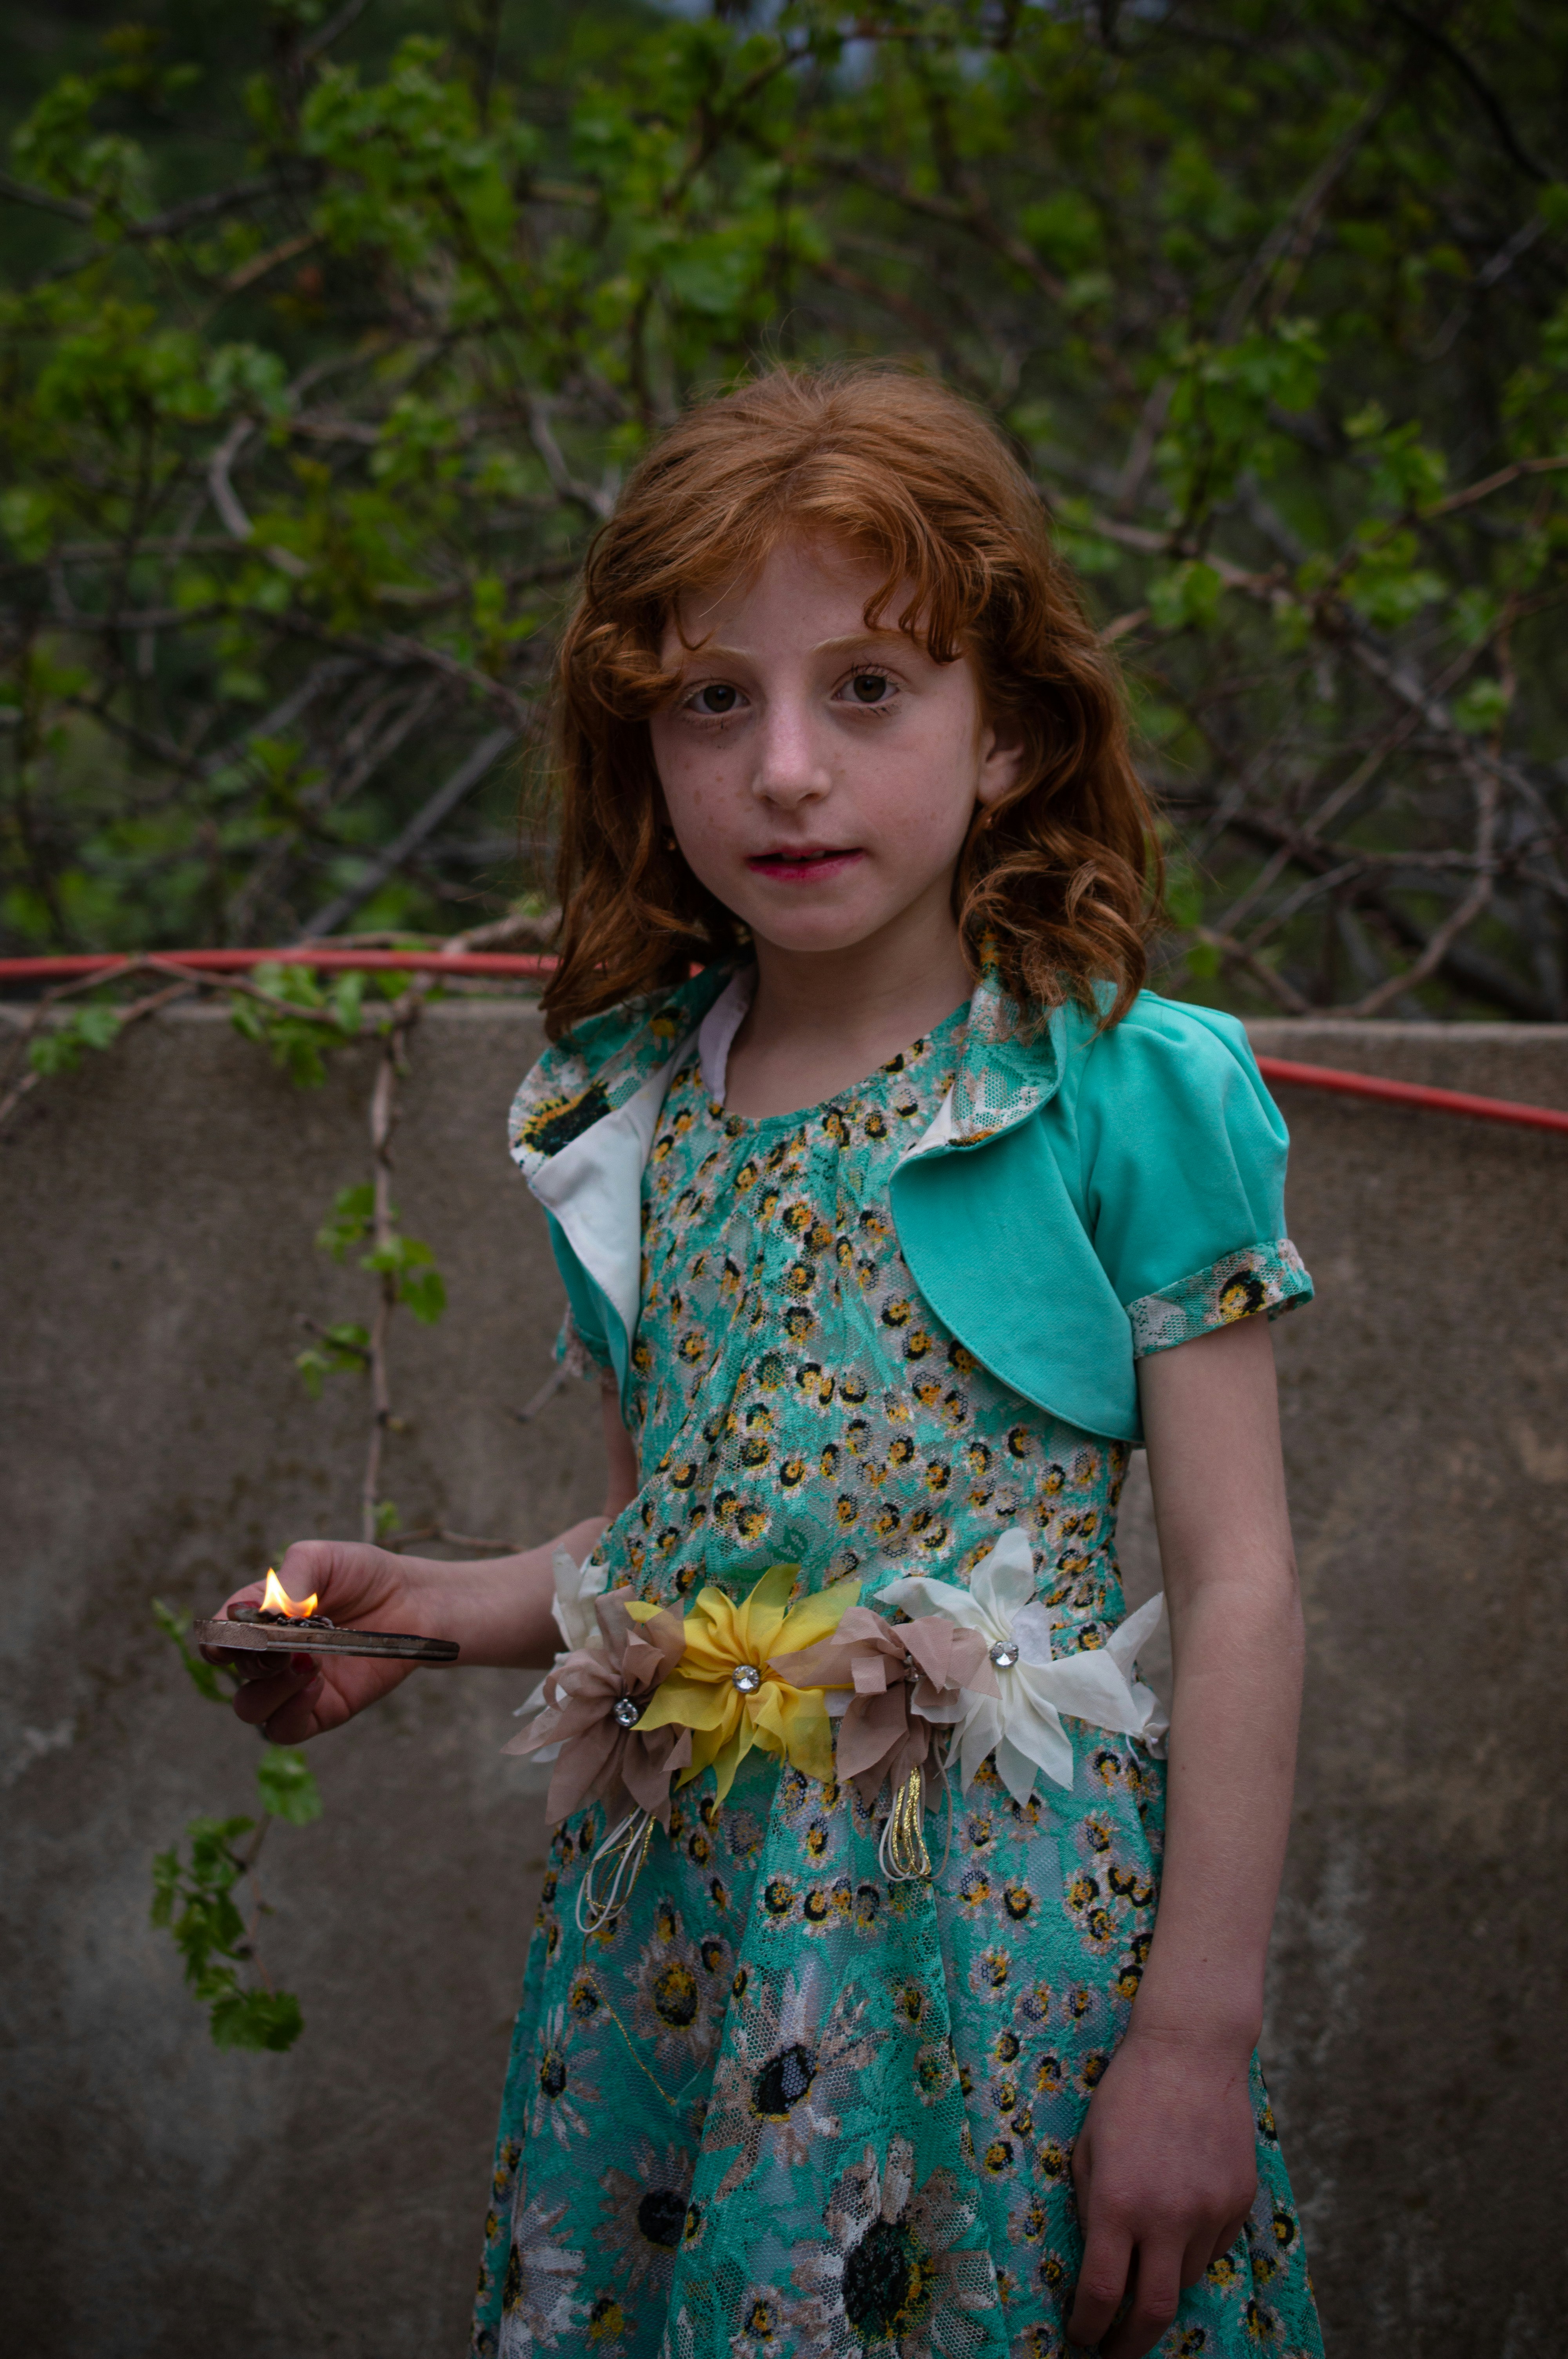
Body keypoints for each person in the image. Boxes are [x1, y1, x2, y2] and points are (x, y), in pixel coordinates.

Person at [212, 367, 1323, 2359]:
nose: (787, 768)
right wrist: (435, 1611)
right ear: (642, 750)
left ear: (1009, 738)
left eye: (872, 688)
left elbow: (1238, 1586)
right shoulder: (626, 1109)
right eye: (714, 698)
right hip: (683, 1964)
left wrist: (1193, 2035)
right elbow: (711, 1533)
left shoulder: (1114, 1087)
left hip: (991, 1962)